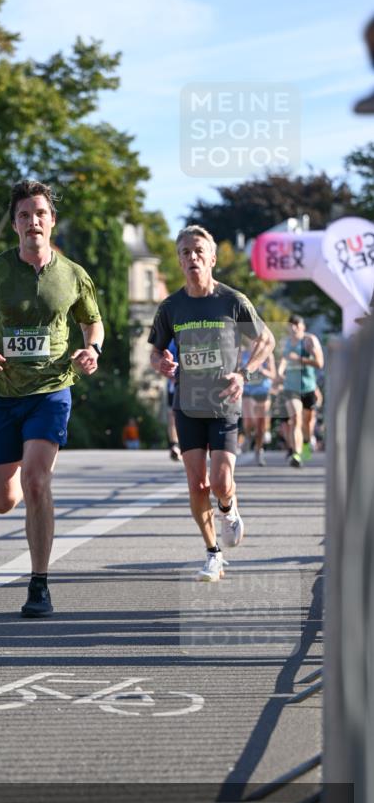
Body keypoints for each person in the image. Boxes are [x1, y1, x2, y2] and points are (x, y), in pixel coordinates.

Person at [0, 179, 104, 617]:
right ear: (15, 224)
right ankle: (23, 485)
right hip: (1, 395)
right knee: (3, 501)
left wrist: (92, 349)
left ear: (52, 220)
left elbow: (92, 322)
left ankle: (39, 582)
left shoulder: (73, 274)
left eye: (40, 214)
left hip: (51, 390)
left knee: (37, 481)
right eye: (24, 215)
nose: (32, 221)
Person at [149, 225, 275, 582]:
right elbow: (155, 352)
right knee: (197, 485)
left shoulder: (232, 300)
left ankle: (228, 507)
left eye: (199, 251)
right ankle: (213, 554)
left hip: (223, 404)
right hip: (187, 404)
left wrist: (244, 374)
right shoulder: (171, 307)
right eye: (185, 252)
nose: (193, 257)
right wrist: (161, 363)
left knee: (220, 482)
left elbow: (266, 340)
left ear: (212, 259)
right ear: (179, 261)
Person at [275, 314, 324, 468]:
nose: (294, 328)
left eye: (297, 325)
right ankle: (296, 454)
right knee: (295, 419)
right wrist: (279, 372)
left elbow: (320, 363)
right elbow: (284, 359)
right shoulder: (286, 342)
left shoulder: (310, 340)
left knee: (307, 424)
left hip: (308, 387)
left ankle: (307, 442)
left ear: (303, 326)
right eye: (291, 325)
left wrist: (300, 359)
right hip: (291, 387)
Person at [240, 343, 276, 466]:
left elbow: (273, 375)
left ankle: (259, 450)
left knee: (260, 426)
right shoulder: (243, 354)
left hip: (262, 391)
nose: (255, 343)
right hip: (248, 391)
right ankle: (248, 436)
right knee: (249, 421)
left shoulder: (268, 354)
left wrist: (263, 371)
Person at [166, 337, 181, 461]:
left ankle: (180, 445)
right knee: (172, 415)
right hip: (174, 384)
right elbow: (159, 358)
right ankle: (174, 445)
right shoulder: (170, 340)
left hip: (195, 384)